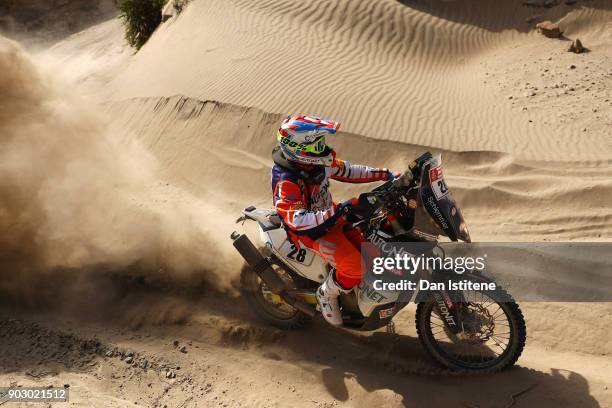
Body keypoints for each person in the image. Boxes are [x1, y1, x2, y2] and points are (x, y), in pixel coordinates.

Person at [271, 115, 396, 325]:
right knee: (355, 267)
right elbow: (296, 221)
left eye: (322, 142)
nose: (322, 148)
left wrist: (385, 174)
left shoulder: (315, 164)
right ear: (298, 148)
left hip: (331, 221)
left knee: (375, 256)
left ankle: (361, 299)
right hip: (310, 235)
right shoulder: (286, 181)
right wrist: (338, 210)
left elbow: (349, 171)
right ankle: (326, 294)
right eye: (316, 144)